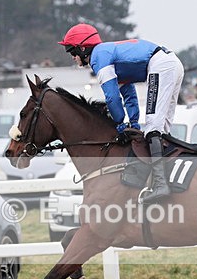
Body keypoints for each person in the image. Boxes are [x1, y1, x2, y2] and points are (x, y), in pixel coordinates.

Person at [58, 23, 184, 204]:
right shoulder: (110, 56)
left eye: (72, 51)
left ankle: (160, 184)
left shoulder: (99, 58)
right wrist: (132, 123)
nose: (72, 57)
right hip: (170, 64)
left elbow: (112, 97)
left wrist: (119, 123)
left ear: (83, 48)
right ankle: (167, 179)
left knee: (153, 128)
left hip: (161, 66)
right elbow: (129, 95)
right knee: (162, 128)